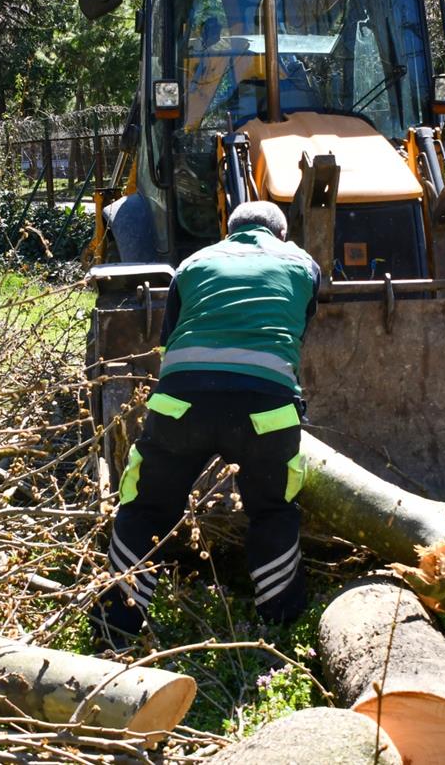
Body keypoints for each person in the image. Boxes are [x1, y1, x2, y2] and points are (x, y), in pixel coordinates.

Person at [92, 201, 322, 645]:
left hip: (180, 405)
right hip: (266, 411)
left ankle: (115, 628)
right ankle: (278, 625)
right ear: (282, 233)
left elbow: (169, 337)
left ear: (227, 230)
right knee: (274, 509)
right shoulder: (303, 264)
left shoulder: (192, 263)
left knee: (145, 507)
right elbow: (299, 327)